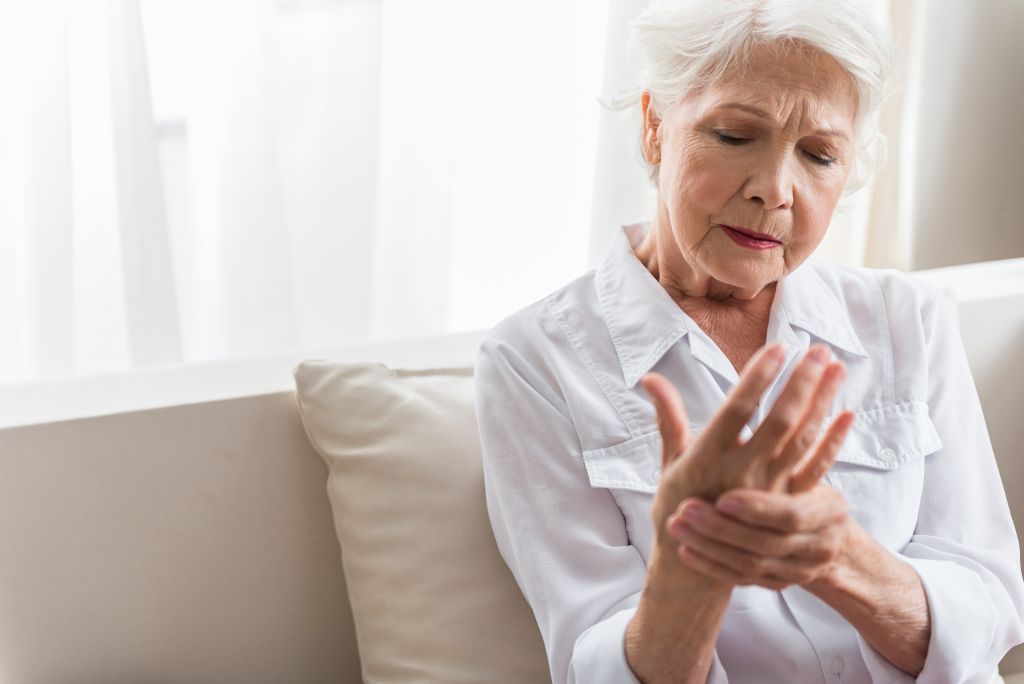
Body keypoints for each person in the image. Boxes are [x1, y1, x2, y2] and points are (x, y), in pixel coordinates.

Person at [473, 1, 1024, 682]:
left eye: (820, 155)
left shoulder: (906, 318)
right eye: (735, 135)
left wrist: (839, 555)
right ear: (654, 128)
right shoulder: (535, 361)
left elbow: (990, 609)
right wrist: (688, 572)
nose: (774, 190)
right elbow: (593, 663)